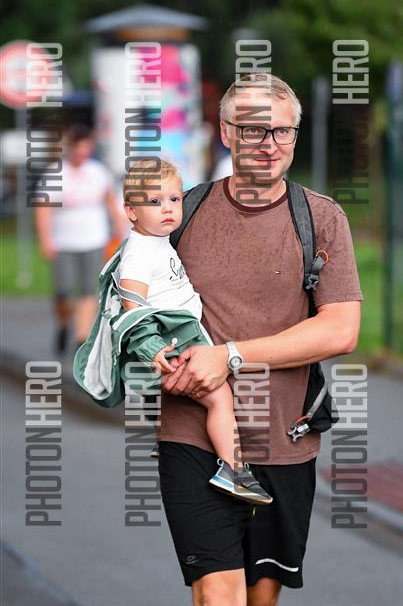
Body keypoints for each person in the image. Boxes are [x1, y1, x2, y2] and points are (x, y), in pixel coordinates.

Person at [158, 74, 362, 606]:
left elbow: (341, 329)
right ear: (226, 132)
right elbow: (136, 308)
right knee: (217, 604)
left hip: (283, 434)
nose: (270, 144)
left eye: (282, 131)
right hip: (192, 432)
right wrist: (155, 355)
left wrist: (228, 356)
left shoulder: (320, 218)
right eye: (253, 131)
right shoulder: (184, 214)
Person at [120, 158, 272, 505]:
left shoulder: (157, 240)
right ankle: (233, 470)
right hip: (174, 341)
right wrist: (152, 348)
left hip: (181, 334)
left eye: (174, 199)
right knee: (220, 398)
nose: (168, 209)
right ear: (131, 211)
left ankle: (168, 444)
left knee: (197, 398)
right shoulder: (138, 253)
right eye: (154, 201)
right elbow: (133, 307)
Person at [35, 124, 126, 352]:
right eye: (78, 147)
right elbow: (43, 210)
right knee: (63, 291)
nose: (82, 152)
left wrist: (119, 225)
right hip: (64, 241)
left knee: (88, 288)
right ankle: (64, 323)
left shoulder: (97, 172)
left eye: (86, 147)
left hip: (93, 239)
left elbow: (110, 201)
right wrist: (46, 240)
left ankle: (81, 336)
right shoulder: (56, 174)